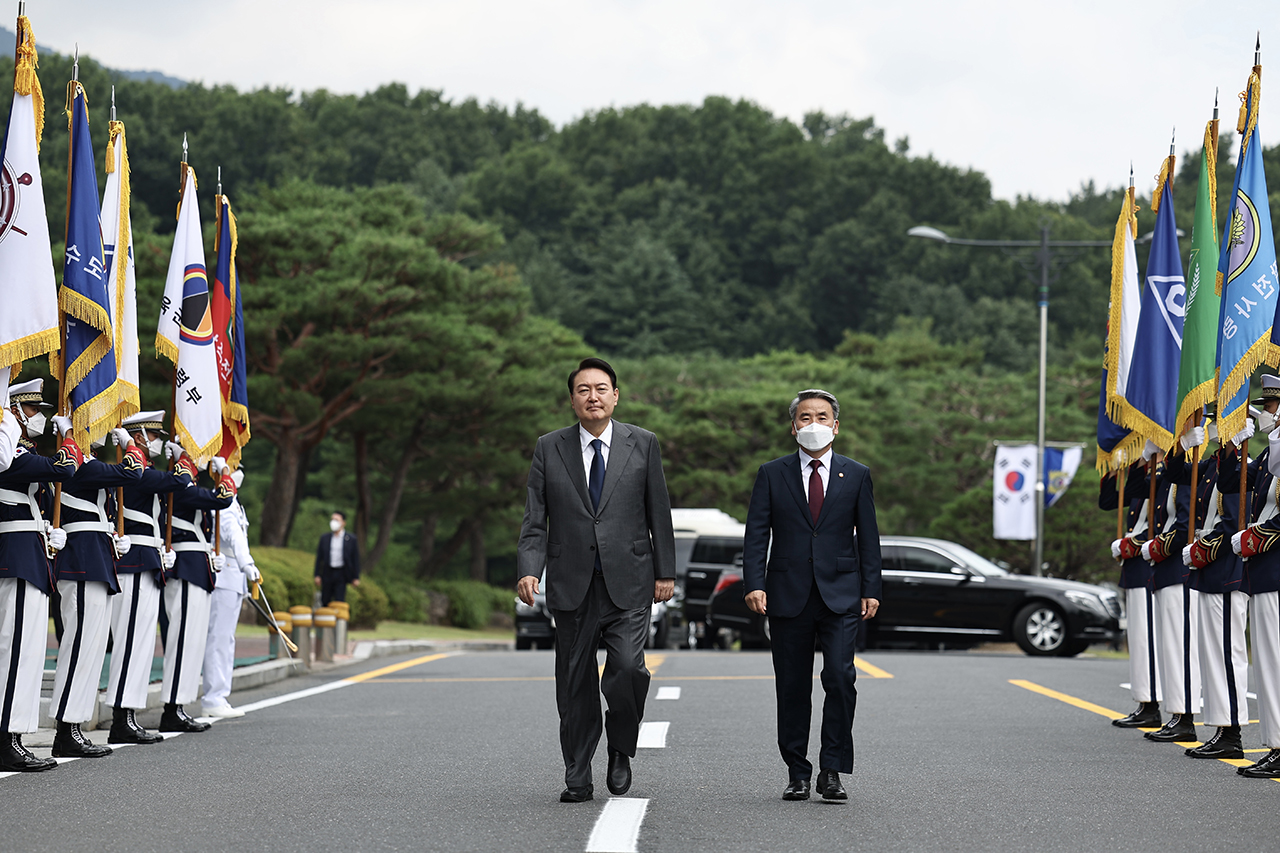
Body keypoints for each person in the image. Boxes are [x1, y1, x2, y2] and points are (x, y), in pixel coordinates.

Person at [516, 357, 676, 803]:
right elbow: (535, 518)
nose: (593, 396)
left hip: (630, 581)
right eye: (583, 389)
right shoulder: (550, 447)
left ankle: (621, 747)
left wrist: (666, 571)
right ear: (572, 399)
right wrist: (529, 569)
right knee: (574, 683)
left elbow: (657, 510)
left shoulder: (642, 443)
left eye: (601, 388)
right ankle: (578, 772)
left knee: (627, 668)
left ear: (615, 395)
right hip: (571, 583)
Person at [742, 388, 882, 803]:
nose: (814, 424)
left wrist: (871, 588)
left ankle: (832, 770)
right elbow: (756, 534)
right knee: (792, 685)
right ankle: (797, 771)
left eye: (822, 417)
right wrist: (754, 582)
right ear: (793, 427)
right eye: (805, 417)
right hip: (787, 593)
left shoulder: (856, 474)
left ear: (836, 426)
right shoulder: (772, 473)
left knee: (840, 679)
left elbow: (869, 537)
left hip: (841, 594)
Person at [51, 420, 144, 757]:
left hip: (95, 560)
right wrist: (131, 446)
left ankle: (74, 724)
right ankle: (65, 727)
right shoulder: (82, 468)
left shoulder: (88, 466)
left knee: (90, 648)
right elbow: (132, 473)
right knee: (78, 647)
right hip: (80, 562)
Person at [0, 379, 78, 771]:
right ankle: (5, 737)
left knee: (27, 649)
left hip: (29, 554)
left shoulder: (21, 451)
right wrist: (67, 433)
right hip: (16, 557)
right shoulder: (10, 451)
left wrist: (47, 527)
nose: (41, 418)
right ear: (15, 410)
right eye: (34, 410)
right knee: (15, 649)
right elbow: (67, 466)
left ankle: (14, 734)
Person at [106, 410, 190, 745]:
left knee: (140, 642)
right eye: (154, 436)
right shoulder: (137, 474)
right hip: (134, 562)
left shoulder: (144, 471)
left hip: (147, 558)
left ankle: (129, 714)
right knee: (130, 642)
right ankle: (121, 716)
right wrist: (182, 457)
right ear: (138, 437)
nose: (160, 442)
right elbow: (181, 480)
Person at [1183, 414, 1253, 759]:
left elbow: (1233, 523)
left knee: (1228, 652)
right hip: (1211, 572)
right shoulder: (1216, 468)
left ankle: (1233, 731)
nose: (1214, 430)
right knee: (1213, 653)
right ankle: (1222, 726)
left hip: (1227, 570)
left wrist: (1201, 549)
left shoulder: (1245, 470)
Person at [1141, 423, 1207, 742]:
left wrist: (1154, 547)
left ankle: (1185, 715)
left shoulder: (1198, 473)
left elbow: (1183, 528)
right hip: (1165, 571)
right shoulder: (1176, 474)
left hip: (1177, 570)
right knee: (1171, 646)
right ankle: (1177, 713)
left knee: (1181, 646)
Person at [160, 452, 234, 733]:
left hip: (196, 566)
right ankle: (172, 708)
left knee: (191, 642)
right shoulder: (181, 488)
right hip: (186, 569)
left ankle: (178, 705)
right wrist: (225, 472)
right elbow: (222, 498)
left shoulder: (187, 489)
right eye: (193, 460)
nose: (197, 466)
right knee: (183, 640)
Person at [1231, 376, 1280, 777]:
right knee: (1267, 661)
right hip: (1265, 570)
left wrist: (1257, 536)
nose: (1267, 414)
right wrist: (1232, 443)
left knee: (1276, 661)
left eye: (1273, 408)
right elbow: (1234, 483)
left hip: (1275, 565)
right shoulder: (1269, 454)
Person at [1100, 447, 1166, 729]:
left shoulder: (1166, 473)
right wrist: (1113, 472)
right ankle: (1144, 701)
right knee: (1138, 637)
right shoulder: (1146, 473)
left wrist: (1132, 543)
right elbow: (1108, 502)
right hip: (1134, 564)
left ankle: (1152, 703)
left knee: (1148, 637)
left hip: (1147, 562)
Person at [203, 468, 261, 718]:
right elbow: (232, 534)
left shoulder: (235, 502)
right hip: (226, 572)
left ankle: (219, 695)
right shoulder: (225, 501)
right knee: (219, 639)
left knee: (226, 639)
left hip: (233, 576)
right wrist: (246, 562)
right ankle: (213, 698)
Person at [314, 511, 360, 604]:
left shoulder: (351, 539)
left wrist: (356, 577)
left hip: (341, 573)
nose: (333, 522)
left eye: (336, 520)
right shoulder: (325, 538)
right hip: (327, 572)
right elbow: (319, 558)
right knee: (325, 599)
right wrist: (317, 574)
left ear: (343, 523)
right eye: (332, 519)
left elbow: (355, 558)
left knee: (339, 600)